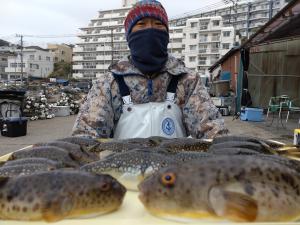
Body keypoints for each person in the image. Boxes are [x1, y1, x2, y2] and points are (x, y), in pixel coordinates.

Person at [72, 0, 228, 139]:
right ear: (129, 35)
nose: (150, 30)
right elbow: (86, 138)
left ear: (166, 34)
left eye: (158, 24)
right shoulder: (108, 82)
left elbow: (212, 131)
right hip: (121, 169)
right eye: (141, 24)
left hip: (176, 169)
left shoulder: (187, 80)